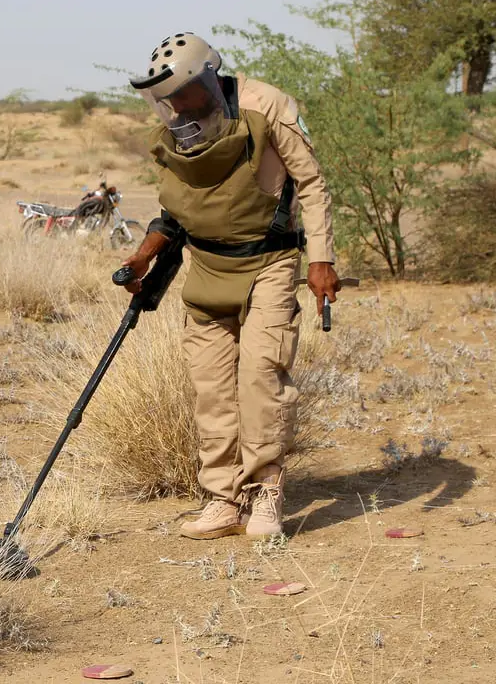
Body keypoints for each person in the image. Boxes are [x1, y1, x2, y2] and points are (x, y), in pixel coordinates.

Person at [119, 32, 339, 538]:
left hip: (268, 262)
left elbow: (312, 183)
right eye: (163, 97)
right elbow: (176, 211)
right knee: (212, 387)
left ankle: (265, 493)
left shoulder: (267, 105)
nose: (172, 105)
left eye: (180, 92)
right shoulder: (179, 126)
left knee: (261, 375)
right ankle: (223, 498)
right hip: (206, 267)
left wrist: (321, 258)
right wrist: (142, 257)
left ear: (207, 80)